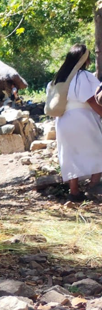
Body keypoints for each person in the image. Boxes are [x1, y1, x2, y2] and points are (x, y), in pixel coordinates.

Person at [47, 44, 102, 201]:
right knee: (99, 150)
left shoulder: (57, 79)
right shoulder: (84, 76)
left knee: (71, 155)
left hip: (63, 121)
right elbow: (92, 100)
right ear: (85, 59)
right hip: (83, 120)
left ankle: (74, 192)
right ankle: (93, 186)